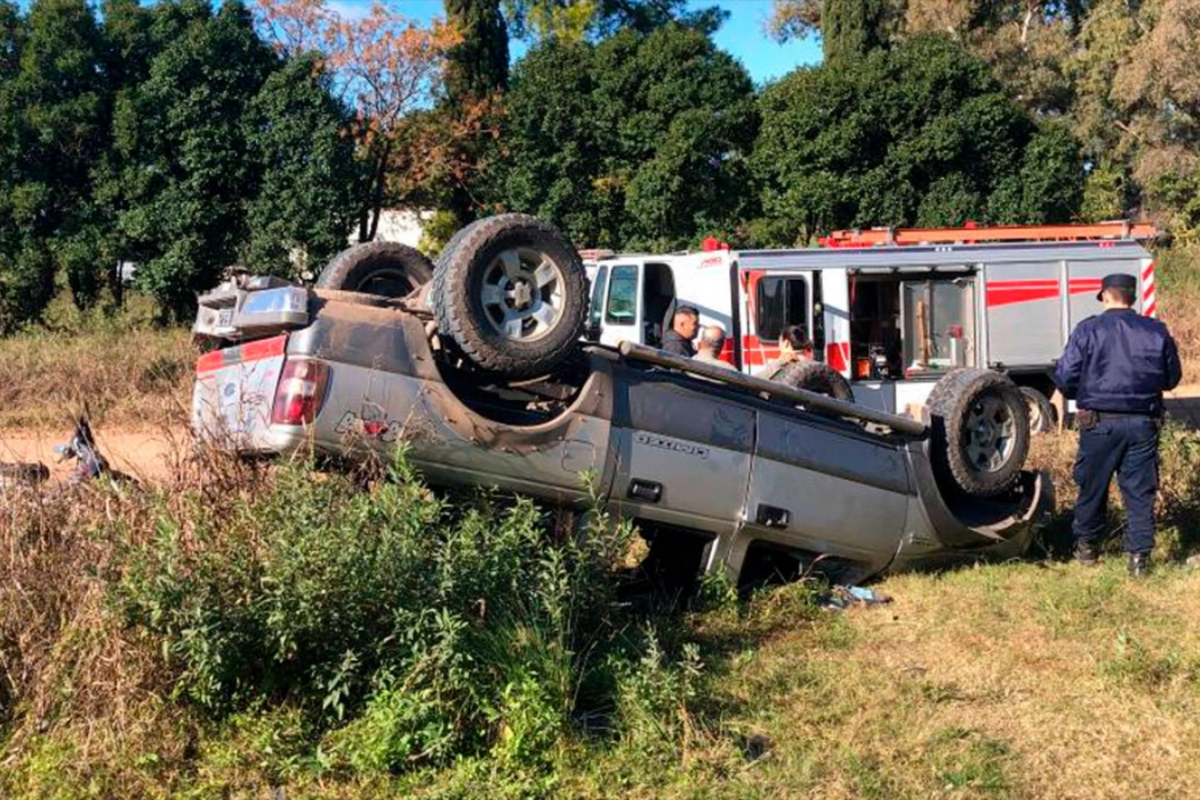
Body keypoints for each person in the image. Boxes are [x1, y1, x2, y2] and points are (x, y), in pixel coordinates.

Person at [1054, 273, 1182, 577]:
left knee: (1092, 488)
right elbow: (1172, 378)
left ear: (1105, 296)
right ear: (1132, 298)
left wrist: (1082, 392)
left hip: (1099, 424)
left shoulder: (1088, 330)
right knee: (1140, 493)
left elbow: (1065, 376)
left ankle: (1087, 550)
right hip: (1143, 424)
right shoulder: (1156, 331)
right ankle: (1139, 560)